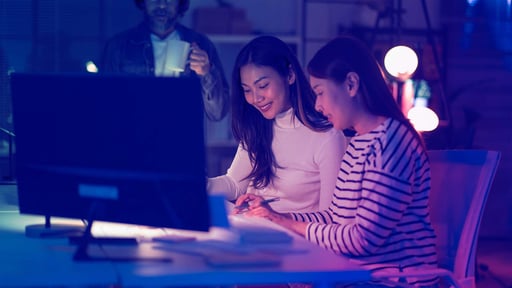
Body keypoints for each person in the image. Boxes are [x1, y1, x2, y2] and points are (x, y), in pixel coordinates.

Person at [236, 35, 438, 287]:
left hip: (390, 279)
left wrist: (283, 222)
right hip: (353, 275)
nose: (318, 106)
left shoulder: (391, 142)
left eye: (320, 93)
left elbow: (362, 239)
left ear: (351, 85)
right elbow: (335, 217)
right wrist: (271, 214)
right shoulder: (360, 142)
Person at [208, 35, 347, 213]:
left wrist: (275, 216)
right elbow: (235, 184)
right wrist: (196, 185)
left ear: (289, 75)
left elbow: (330, 220)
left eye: (263, 85)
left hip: (293, 237)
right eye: (247, 90)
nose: (256, 99)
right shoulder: (257, 126)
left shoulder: (327, 137)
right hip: (250, 227)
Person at [101, 0, 229, 121]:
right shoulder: (118, 46)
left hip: (183, 136)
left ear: (180, 2)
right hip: (135, 136)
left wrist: (206, 72)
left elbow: (218, 113)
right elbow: (105, 106)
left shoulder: (202, 44)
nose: (162, 4)